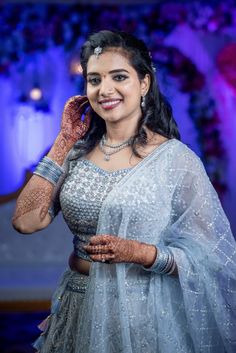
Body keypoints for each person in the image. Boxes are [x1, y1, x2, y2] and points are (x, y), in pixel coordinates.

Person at [12, 30, 236, 353]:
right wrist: (62, 141)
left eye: (119, 76)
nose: (105, 90)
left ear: (144, 83)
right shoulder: (74, 153)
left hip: (142, 314)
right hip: (76, 304)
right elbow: (25, 221)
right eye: (94, 79)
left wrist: (142, 254)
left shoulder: (175, 160)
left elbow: (213, 260)